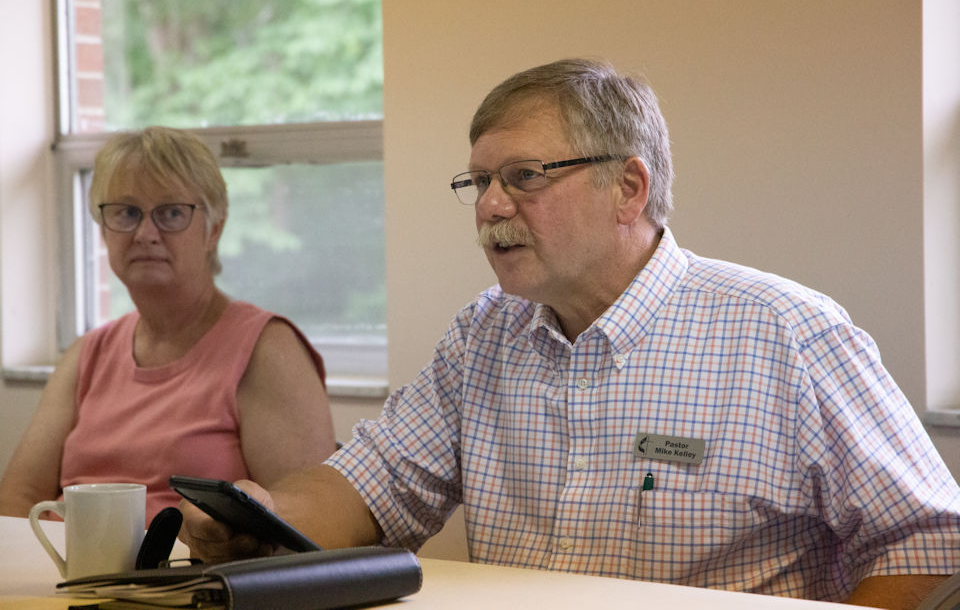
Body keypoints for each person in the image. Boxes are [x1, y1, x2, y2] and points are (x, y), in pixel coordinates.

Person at [178, 60, 960, 609]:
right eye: (478, 181)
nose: (489, 206)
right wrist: (261, 517)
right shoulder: (484, 336)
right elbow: (367, 485)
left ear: (628, 187)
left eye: (524, 176)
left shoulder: (785, 333)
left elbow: (930, 546)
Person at [0, 126, 337, 523]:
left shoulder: (267, 350)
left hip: (189, 580)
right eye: (126, 213)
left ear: (214, 229)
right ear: (104, 230)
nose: (146, 234)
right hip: (60, 575)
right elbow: (17, 499)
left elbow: (308, 527)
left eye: (172, 213)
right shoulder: (87, 354)